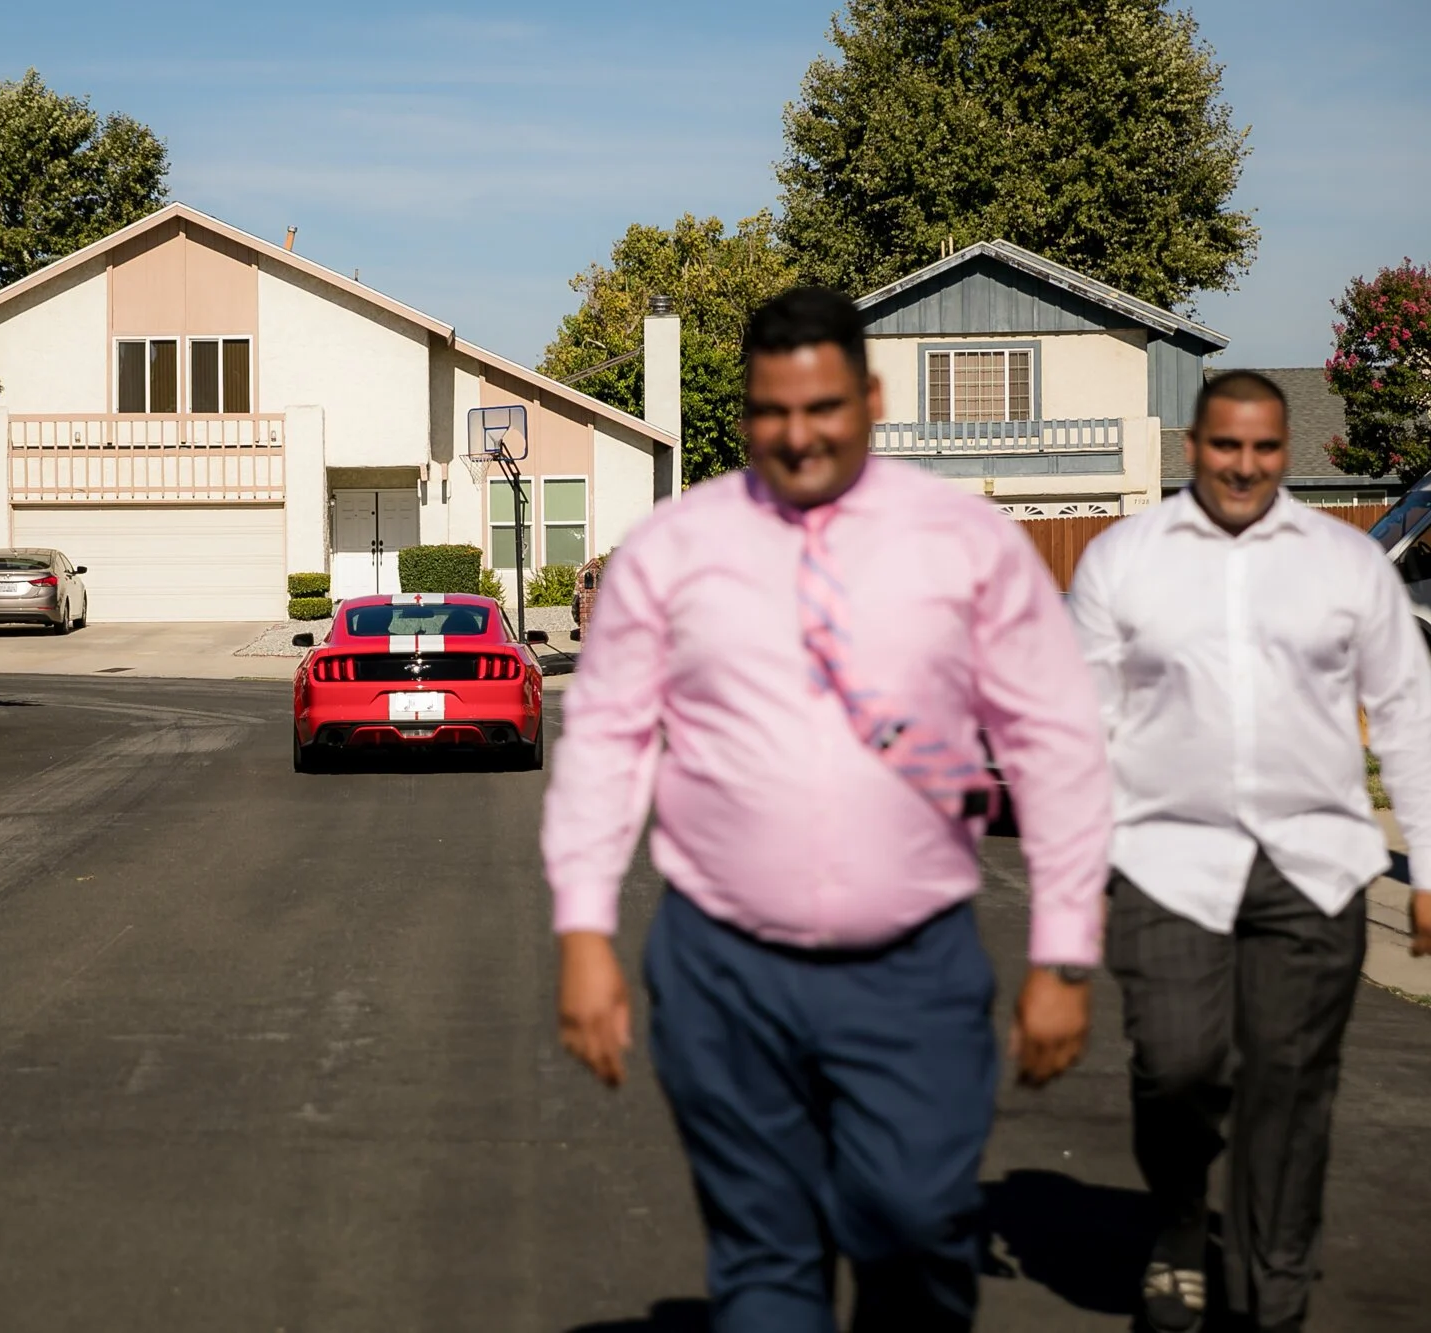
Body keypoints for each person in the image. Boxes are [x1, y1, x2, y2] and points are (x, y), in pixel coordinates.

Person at [541, 286, 1113, 1332]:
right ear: (745, 411)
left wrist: (1064, 952)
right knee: (765, 1260)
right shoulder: (672, 549)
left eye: (822, 409)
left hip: (912, 971)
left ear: (871, 399)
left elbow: (1057, 742)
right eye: (771, 411)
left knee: (915, 1229)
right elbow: (604, 742)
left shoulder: (965, 543)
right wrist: (583, 930)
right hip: (722, 971)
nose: (796, 435)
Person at [1067, 370, 1431, 1333]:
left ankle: (1276, 1295)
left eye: (1265, 447)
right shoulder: (1123, 559)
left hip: (1312, 866)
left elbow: (1408, 715)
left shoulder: (1346, 564)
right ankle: (1182, 1216)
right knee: (1175, 1065)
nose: (1244, 464)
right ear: (1194, 446)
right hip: (1165, 862)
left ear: (1284, 451)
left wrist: (1430, 869)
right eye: (1226, 445)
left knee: (1291, 1084)